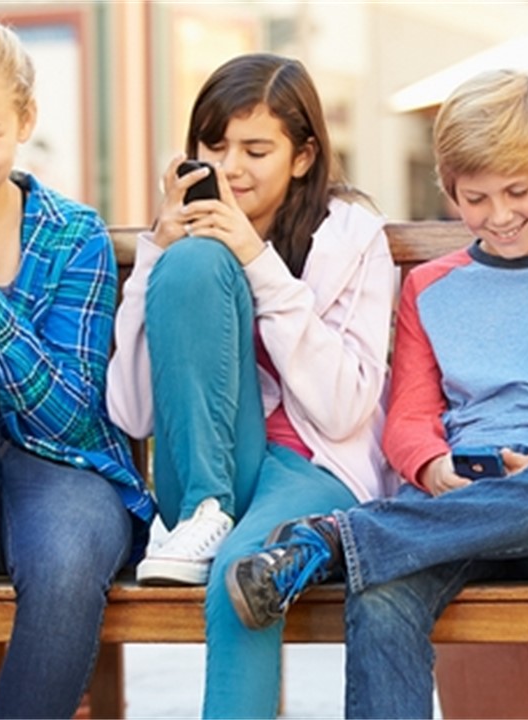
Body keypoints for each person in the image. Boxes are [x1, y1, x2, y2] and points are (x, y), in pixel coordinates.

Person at [222, 69, 528, 718]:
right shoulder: (430, 287)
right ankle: (362, 544)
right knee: (380, 593)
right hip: (447, 510)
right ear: (450, 189)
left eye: (519, 192)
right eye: (476, 198)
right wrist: (432, 464)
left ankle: (338, 539)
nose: (499, 216)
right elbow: (411, 414)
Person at [105, 54, 393, 716]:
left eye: (256, 149)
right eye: (214, 145)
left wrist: (257, 262)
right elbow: (132, 410)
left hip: (312, 468)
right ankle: (209, 509)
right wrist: (156, 255)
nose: (231, 166)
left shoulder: (354, 238)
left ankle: (222, 526)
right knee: (197, 263)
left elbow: (346, 407)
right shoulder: (182, 246)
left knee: (244, 578)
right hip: (206, 481)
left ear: (302, 155)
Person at [0, 16, 153, 717]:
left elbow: (74, 415)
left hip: (62, 468)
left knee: (69, 563)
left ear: (25, 121)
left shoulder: (72, 235)